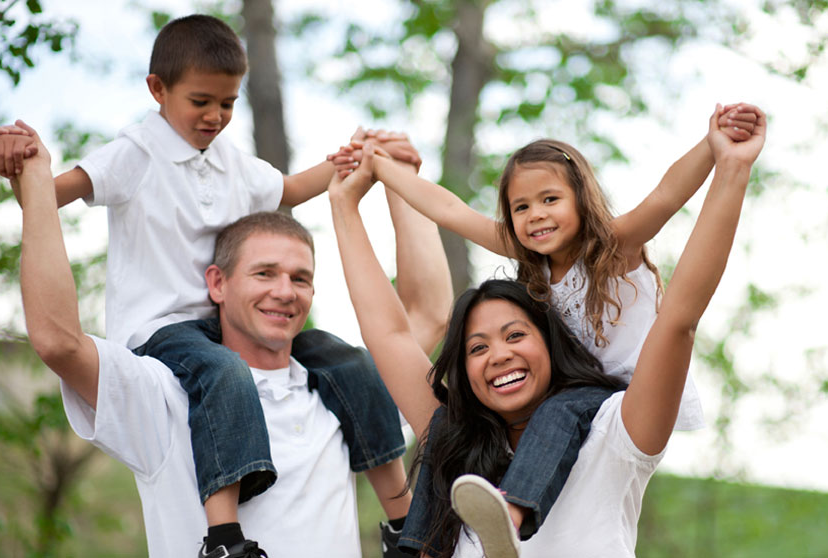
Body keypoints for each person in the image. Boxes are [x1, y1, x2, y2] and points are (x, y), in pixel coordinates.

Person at [0, 14, 435, 557]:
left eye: (228, 103)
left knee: (349, 362)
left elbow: (290, 189)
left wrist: (354, 159)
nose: (215, 116)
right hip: (163, 334)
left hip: (217, 332)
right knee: (225, 371)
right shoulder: (135, 152)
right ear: (158, 89)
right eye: (201, 101)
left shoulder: (232, 163)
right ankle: (223, 538)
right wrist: (25, 167)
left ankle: (404, 524)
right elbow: (51, 195)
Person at [328, 102, 765, 557]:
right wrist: (377, 168)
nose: (536, 214)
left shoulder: (611, 247)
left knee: (560, 409)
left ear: (581, 198)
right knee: (449, 427)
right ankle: (419, 547)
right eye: (521, 206)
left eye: (550, 200)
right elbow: (449, 211)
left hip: (617, 394)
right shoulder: (528, 262)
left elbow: (666, 202)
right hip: (567, 394)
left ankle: (515, 509)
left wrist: (719, 153)